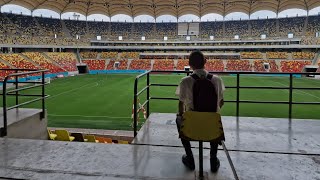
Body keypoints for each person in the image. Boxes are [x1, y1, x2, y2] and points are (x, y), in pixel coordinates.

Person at [175, 50, 225, 172]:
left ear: (190, 64)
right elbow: (221, 103)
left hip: (192, 126)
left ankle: (190, 157)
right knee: (215, 117)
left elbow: (181, 105)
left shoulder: (185, 81)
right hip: (213, 127)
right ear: (205, 62)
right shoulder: (217, 80)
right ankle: (213, 158)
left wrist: (181, 115)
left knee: (178, 119)